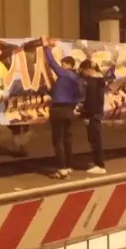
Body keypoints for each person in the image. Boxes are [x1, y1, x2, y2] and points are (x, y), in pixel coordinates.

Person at [41, 37, 83, 180]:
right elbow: (79, 96)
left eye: (63, 63)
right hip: (70, 111)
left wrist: (46, 47)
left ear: (67, 64)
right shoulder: (77, 79)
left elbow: (51, 63)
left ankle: (62, 169)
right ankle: (69, 166)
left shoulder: (64, 74)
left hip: (58, 110)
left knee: (58, 140)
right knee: (68, 139)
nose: (61, 65)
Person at [78, 60, 107, 174]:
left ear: (88, 69)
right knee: (95, 139)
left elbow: (91, 100)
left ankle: (100, 165)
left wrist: (85, 114)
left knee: (95, 139)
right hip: (97, 112)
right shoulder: (100, 80)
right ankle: (97, 162)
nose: (83, 74)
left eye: (83, 71)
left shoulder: (92, 82)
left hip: (93, 114)